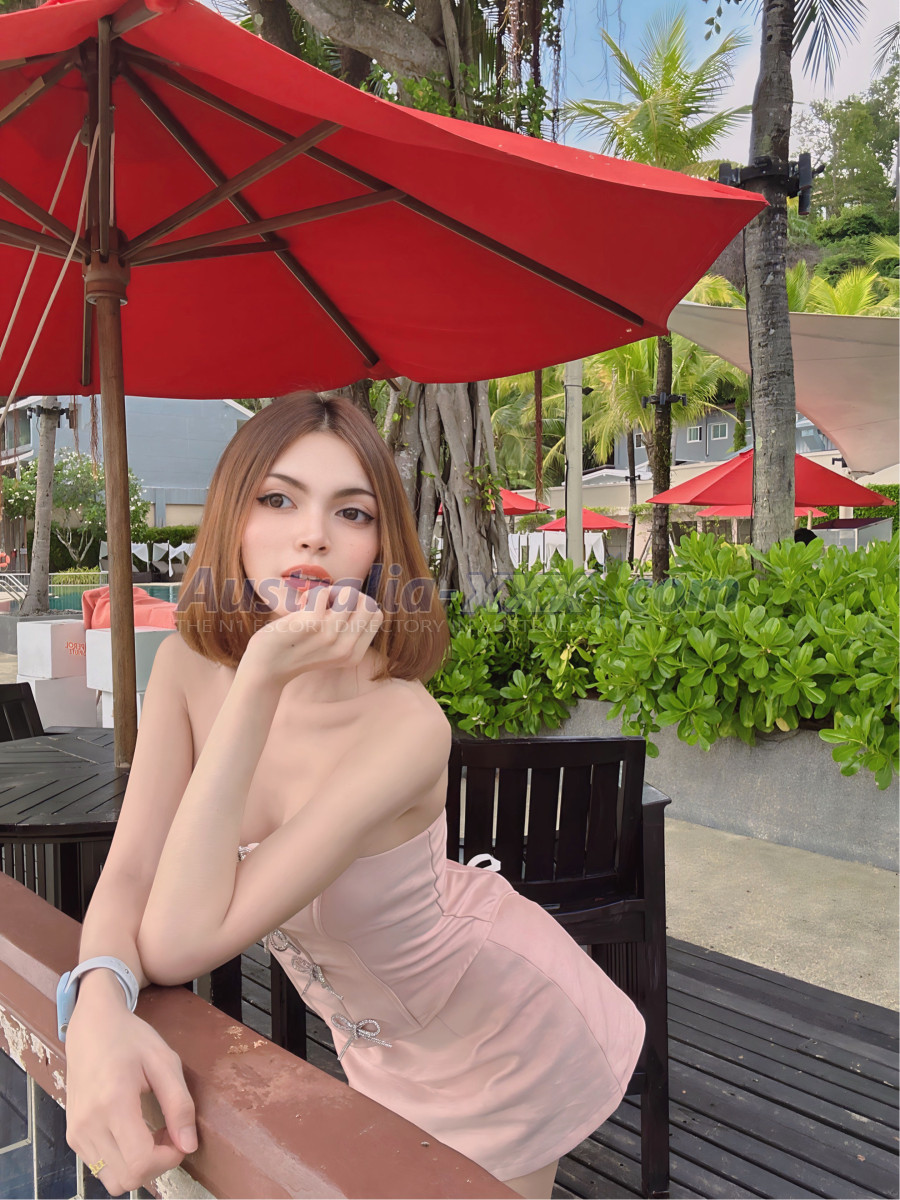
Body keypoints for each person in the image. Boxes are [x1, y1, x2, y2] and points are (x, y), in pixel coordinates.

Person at [62, 392, 645, 1200]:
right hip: (376, 1047)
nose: (314, 534)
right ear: (231, 518)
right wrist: (96, 1003)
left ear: (378, 548)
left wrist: (260, 680)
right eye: (278, 499)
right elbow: (132, 871)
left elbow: (175, 943)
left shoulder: (404, 727)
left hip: (501, 1034)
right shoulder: (188, 669)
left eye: (352, 512)